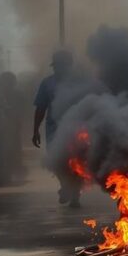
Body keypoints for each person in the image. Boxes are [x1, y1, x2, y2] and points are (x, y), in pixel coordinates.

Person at [33, 50, 81, 207]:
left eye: (62, 65)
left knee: (77, 160)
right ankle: (66, 186)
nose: (58, 69)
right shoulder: (47, 83)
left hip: (77, 128)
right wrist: (35, 130)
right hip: (54, 128)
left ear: (69, 66)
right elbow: (41, 107)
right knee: (56, 160)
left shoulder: (79, 82)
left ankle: (75, 193)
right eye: (56, 66)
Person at [0, 71, 25, 181]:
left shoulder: (17, 95)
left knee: (13, 148)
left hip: (12, 125)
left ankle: (13, 171)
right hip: (4, 126)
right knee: (8, 149)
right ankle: (9, 171)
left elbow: (22, 110)